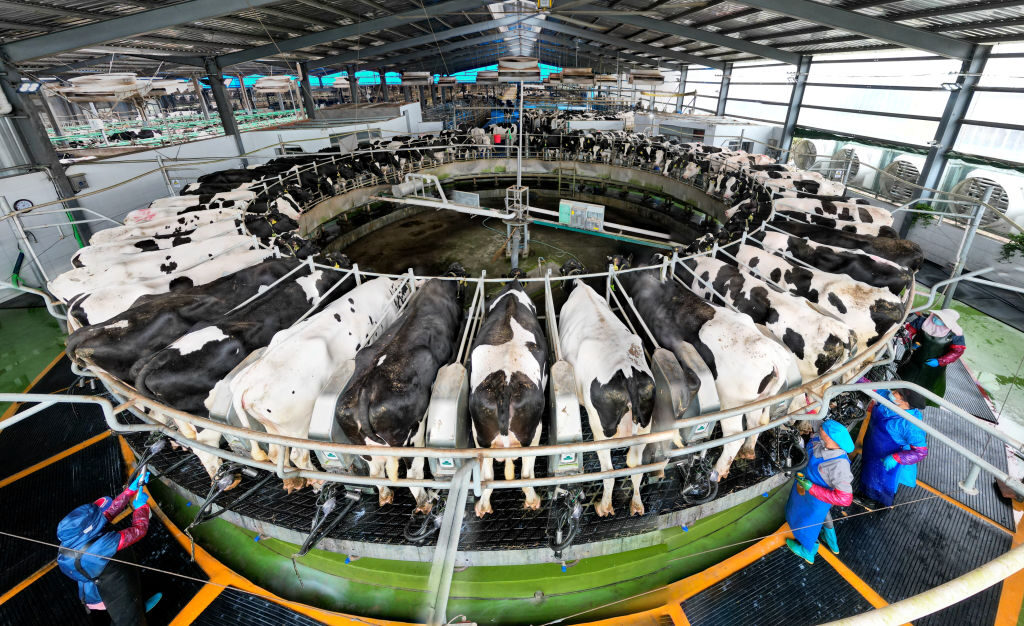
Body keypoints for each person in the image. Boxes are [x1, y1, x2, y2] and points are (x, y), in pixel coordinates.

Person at [57, 469, 160, 626]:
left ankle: (138, 606)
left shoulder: (73, 538)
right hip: (105, 595)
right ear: (90, 528)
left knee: (128, 598)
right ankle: (137, 614)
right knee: (129, 619)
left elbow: (107, 514)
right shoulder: (101, 546)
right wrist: (141, 508)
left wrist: (130, 491)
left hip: (90, 589)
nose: (104, 513)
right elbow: (139, 530)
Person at [785, 420, 855, 565]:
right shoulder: (823, 440)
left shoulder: (840, 465)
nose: (819, 427)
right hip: (805, 491)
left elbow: (845, 499)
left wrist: (812, 488)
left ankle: (808, 551)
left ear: (829, 437)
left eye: (823, 428)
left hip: (816, 499)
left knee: (808, 522)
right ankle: (831, 540)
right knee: (821, 515)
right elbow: (814, 419)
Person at [860, 388, 929, 508]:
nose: (893, 392)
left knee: (881, 480)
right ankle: (865, 492)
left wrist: (897, 458)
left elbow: (920, 452)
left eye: (898, 393)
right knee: (868, 471)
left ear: (905, 403)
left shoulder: (911, 425)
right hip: (871, 447)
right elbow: (871, 387)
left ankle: (875, 502)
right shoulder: (887, 397)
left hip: (886, 456)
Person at [898, 309, 966, 404]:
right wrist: (908, 343)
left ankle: (916, 403)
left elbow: (957, 351)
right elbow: (908, 332)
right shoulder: (923, 321)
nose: (936, 319)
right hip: (913, 356)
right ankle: (896, 393)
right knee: (904, 376)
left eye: (941, 319)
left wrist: (940, 361)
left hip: (932, 365)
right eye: (937, 316)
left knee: (925, 386)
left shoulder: (955, 334)